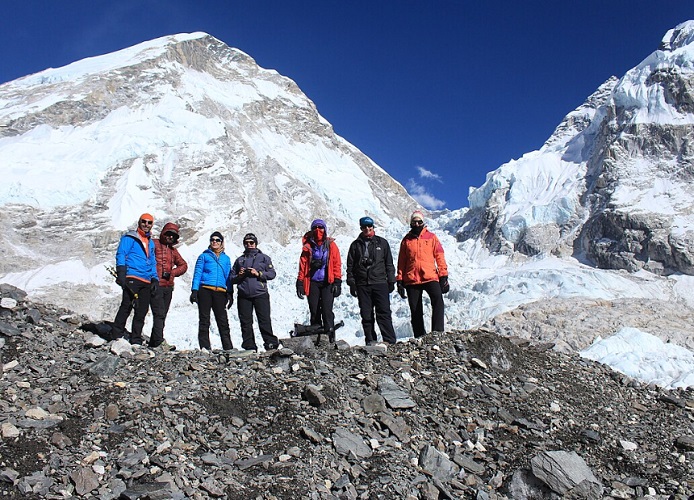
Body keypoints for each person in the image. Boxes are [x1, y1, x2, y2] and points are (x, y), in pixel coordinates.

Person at [396, 210, 450, 338]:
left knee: (438, 301)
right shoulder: (406, 240)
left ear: (423, 222)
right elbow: (401, 261)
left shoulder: (431, 237)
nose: (417, 224)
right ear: (411, 223)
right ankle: (419, 336)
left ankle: (437, 333)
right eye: (414, 222)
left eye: (419, 221)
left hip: (430, 276)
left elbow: (439, 256)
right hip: (411, 279)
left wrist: (443, 275)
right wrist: (399, 279)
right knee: (415, 310)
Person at [346, 216, 397, 345]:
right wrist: (352, 283)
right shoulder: (355, 245)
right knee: (366, 315)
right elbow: (350, 266)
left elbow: (389, 263)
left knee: (384, 312)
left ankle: (389, 341)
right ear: (361, 228)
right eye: (364, 227)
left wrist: (391, 280)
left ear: (373, 227)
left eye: (369, 226)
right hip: (362, 284)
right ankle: (370, 341)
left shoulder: (382, 243)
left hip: (380, 282)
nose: (367, 229)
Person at [112, 213, 160, 345]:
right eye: (144, 221)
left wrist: (155, 279)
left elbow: (152, 262)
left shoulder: (150, 242)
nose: (146, 224)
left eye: (149, 222)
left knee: (142, 310)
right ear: (139, 222)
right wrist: (121, 272)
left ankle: (136, 339)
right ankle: (116, 334)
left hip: (146, 280)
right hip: (132, 276)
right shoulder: (129, 238)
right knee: (126, 305)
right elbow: (121, 253)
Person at [229, 233, 280, 352]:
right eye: (246, 243)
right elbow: (232, 278)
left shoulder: (264, 258)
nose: (249, 245)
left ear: (256, 243)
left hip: (260, 293)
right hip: (243, 295)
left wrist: (259, 274)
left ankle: (270, 343)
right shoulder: (239, 260)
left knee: (264, 320)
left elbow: (272, 273)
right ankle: (249, 346)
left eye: (251, 242)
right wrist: (239, 275)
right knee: (245, 322)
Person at [296, 219, 342, 342]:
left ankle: (330, 338)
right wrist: (300, 282)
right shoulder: (307, 246)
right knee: (314, 310)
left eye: (320, 227)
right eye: (315, 227)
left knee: (327, 310)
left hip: (328, 282)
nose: (318, 230)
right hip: (312, 283)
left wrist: (337, 281)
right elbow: (302, 266)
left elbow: (336, 263)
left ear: (325, 229)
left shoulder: (331, 245)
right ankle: (316, 339)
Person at [190, 231, 234, 351]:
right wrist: (194, 290)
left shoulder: (226, 259)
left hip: (220, 291)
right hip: (205, 290)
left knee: (223, 320)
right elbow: (197, 273)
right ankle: (205, 347)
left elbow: (228, 276)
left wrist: (230, 292)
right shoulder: (203, 256)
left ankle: (228, 347)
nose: (214, 242)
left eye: (217, 240)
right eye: (212, 240)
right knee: (204, 319)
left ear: (221, 242)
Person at [149, 222, 188, 349]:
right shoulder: (153, 244)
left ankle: (154, 341)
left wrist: (172, 273)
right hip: (156, 285)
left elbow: (183, 265)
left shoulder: (173, 251)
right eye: (168, 234)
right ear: (163, 233)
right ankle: (159, 342)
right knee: (159, 313)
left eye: (173, 235)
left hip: (168, 286)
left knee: (162, 314)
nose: (170, 237)